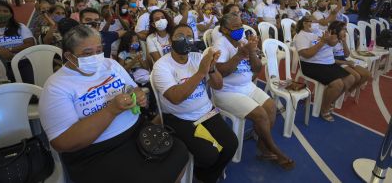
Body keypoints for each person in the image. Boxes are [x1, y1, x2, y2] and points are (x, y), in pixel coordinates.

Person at [38, 25, 188, 183]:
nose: (96, 57)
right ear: (69, 56)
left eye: (98, 50)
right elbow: (62, 142)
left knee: (179, 151)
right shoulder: (56, 86)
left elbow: (132, 88)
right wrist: (110, 111)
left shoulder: (110, 65)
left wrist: (137, 94)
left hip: (137, 132)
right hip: (97, 152)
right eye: (87, 53)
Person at [151, 24, 238, 183]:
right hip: (180, 117)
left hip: (207, 111)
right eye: (180, 36)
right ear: (170, 40)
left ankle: (206, 177)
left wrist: (211, 69)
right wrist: (200, 72)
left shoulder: (198, 58)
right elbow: (175, 98)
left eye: (189, 36)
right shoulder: (161, 66)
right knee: (209, 155)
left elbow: (218, 85)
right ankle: (206, 173)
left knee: (231, 144)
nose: (185, 39)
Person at [213, 12, 294, 170]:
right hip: (227, 92)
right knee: (261, 115)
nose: (240, 30)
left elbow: (257, 68)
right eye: (235, 27)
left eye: (241, 26)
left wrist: (251, 52)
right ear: (224, 29)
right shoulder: (220, 45)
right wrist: (239, 55)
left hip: (247, 87)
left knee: (271, 107)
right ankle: (274, 149)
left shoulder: (243, 41)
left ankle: (263, 147)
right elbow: (220, 72)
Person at [294, 16, 355, 121]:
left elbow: (332, 43)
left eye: (313, 21)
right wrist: (322, 42)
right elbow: (307, 55)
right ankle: (324, 109)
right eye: (310, 21)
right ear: (304, 23)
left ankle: (329, 100)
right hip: (312, 65)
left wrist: (336, 37)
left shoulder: (318, 31)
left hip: (328, 63)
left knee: (351, 79)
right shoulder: (300, 37)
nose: (313, 23)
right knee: (338, 84)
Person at [0, 1, 35, 83]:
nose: (1, 13)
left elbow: (30, 43)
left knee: (28, 87)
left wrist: (10, 50)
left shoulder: (20, 27)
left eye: (5, 11)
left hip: (22, 61)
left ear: (11, 14)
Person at [328, 21, 371, 97]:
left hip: (344, 60)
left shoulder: (341, 39)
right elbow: (330, 59)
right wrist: (346, 63)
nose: (345, 31)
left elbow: (347, 55)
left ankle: (348, 91)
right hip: (337, 62)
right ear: (335, 30)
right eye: (343, 29)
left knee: (367, 74)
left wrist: (344, 42)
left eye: (345, 29)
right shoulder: (331, 41)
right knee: (356, 77)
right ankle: (343, 94)